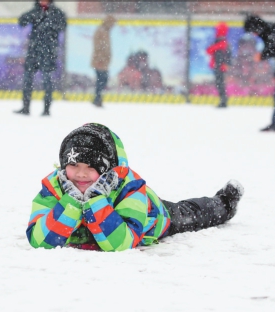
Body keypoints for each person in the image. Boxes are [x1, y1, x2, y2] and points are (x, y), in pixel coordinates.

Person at [26, 123, 244, 251]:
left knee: (192, 213)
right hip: (104, 214)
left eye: (91, 167)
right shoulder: (55, 186)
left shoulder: (129, 187)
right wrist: (72, 200)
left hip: (153, 215)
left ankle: (224, 202)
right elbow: (40, 240)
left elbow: (119, 243)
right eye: (74, 165)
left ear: (106, 169)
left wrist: (94, 199)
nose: (81, 174)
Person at [15, 0, 67, 116]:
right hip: (33, 52)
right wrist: (34, 15)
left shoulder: (57, 13)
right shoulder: (35, 11)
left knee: (47, 82)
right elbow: (22, 21)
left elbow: (63, 25)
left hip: (48, 54)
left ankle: (46, 109)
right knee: (27, 81)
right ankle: (25, 107)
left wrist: (48, 24)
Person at [91, 15, 116, 108]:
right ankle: (97, 99)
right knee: (101, 80)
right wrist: (100, 60)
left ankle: (97, 98)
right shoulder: (101, 31)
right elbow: (98, 47)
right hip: (100, 61)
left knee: (102, 80)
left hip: (103, 61)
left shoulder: (105, 31)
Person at [206, 22, 231, 108]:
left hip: (220, 66)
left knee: (220, 84)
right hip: (218, 66)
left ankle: (223, 100)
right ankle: (223, 99)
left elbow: (209, 50)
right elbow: (209, 50)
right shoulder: (221, 43)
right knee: (219, 84)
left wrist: (224, 64)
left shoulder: (222, 43)